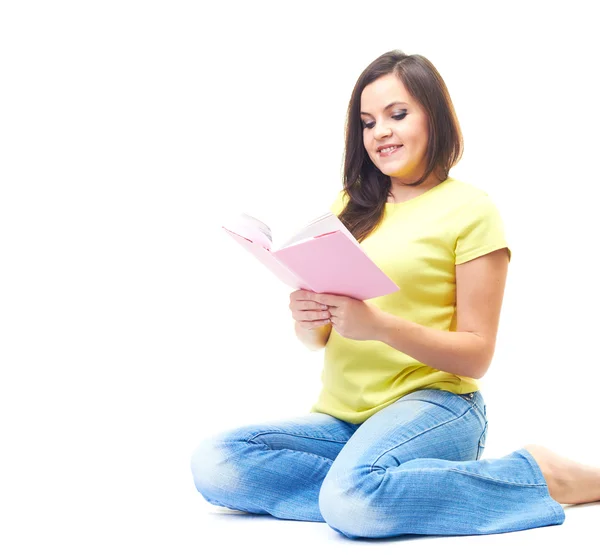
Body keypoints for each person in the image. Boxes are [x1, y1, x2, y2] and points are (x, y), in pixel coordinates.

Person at [190, 50, 600, 539]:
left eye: (397, 114)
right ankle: (373, 485)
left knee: (353, 501)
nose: (380, 131)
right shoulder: (350, 206)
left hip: (437, 407)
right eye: (367, 122)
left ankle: (536, 475)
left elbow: (477, 354)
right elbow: (319, 338)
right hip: (345, 419)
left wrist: (378, 325)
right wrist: (306, 317)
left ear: (434, 116)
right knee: (217, 463)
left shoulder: (471, 210)